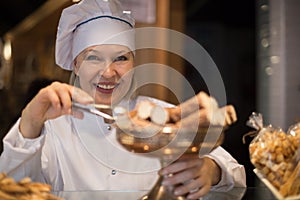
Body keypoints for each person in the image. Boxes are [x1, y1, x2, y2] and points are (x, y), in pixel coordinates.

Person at [0, 0, 246, 199]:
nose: (108, 73)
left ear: (134, 63)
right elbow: (10, 186)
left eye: (120, 58)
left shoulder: (166, 116)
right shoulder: (53, 130)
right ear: (75, 65)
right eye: (93, 58)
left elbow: (236, 178)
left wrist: (210, 171)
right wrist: (30, 120)